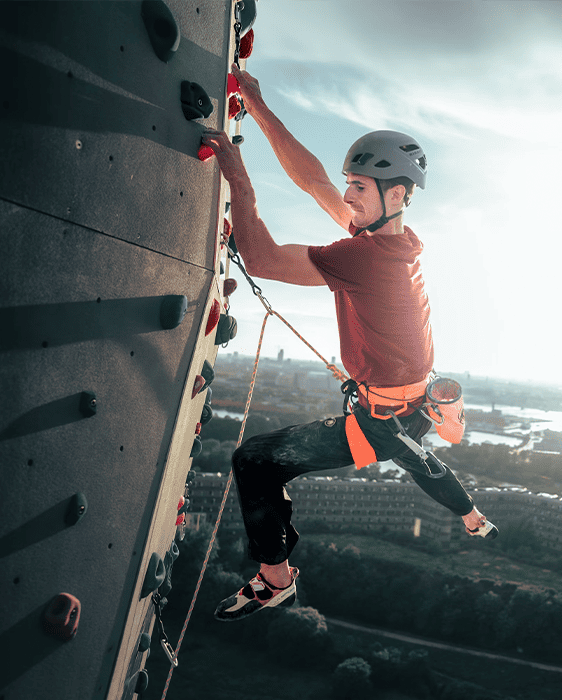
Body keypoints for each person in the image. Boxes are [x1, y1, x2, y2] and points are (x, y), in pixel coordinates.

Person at [201, 65, 497, 622]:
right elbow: (314, 181)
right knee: (405, 461)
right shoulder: (396, 241)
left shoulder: (366, 259)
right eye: (352, 185)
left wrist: (235, 175)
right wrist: (257, 106)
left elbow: (261, 258)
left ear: (398, 194)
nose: (346, 196)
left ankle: (275, 578)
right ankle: (470, 515)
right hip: (403, 410)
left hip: (379, 424)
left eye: (358, 188)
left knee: (255, 462)